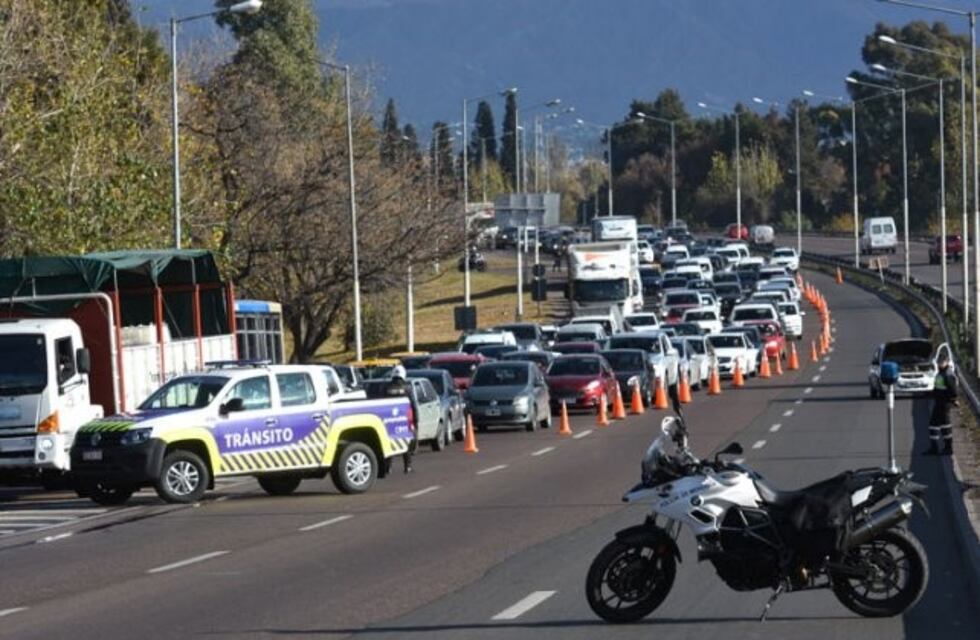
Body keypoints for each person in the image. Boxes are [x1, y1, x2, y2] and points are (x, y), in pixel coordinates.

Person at [388, 365, 417, 472]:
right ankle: (407, 466)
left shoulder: (387, 387)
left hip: (390, 420)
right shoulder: (408, 388)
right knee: (406, 444)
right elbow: (413, 405)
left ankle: (388, 467)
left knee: (389, 444)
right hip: (404, 420)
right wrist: (416, 421)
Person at [927, 355, 957, 456]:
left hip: (944, 403)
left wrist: (952, 400)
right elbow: (938, 386)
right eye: (939, 362)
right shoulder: (941, 372)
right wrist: (932, 394)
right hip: (939, 402)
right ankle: (934, 448)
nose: (940, 364)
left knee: (945, 425)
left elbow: (953, 391)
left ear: (947, 362)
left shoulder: (948, 374)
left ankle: (948, 448)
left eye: (942, 362)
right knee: (933, 424)